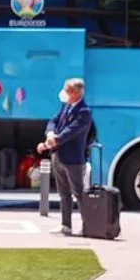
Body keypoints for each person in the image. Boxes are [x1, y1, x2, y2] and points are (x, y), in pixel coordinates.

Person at [37, 78, 92, 235]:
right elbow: (53, 121)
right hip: (58, 156)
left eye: (67, 90)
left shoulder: (84, 112)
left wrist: (51, 141)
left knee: (78, 193)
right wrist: (50, 133)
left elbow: (70, 132)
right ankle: (65, 225)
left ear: (76, 93)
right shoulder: (66, 105)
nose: (63, 92)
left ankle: (88, 225)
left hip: (73, 159)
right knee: (64, 193)